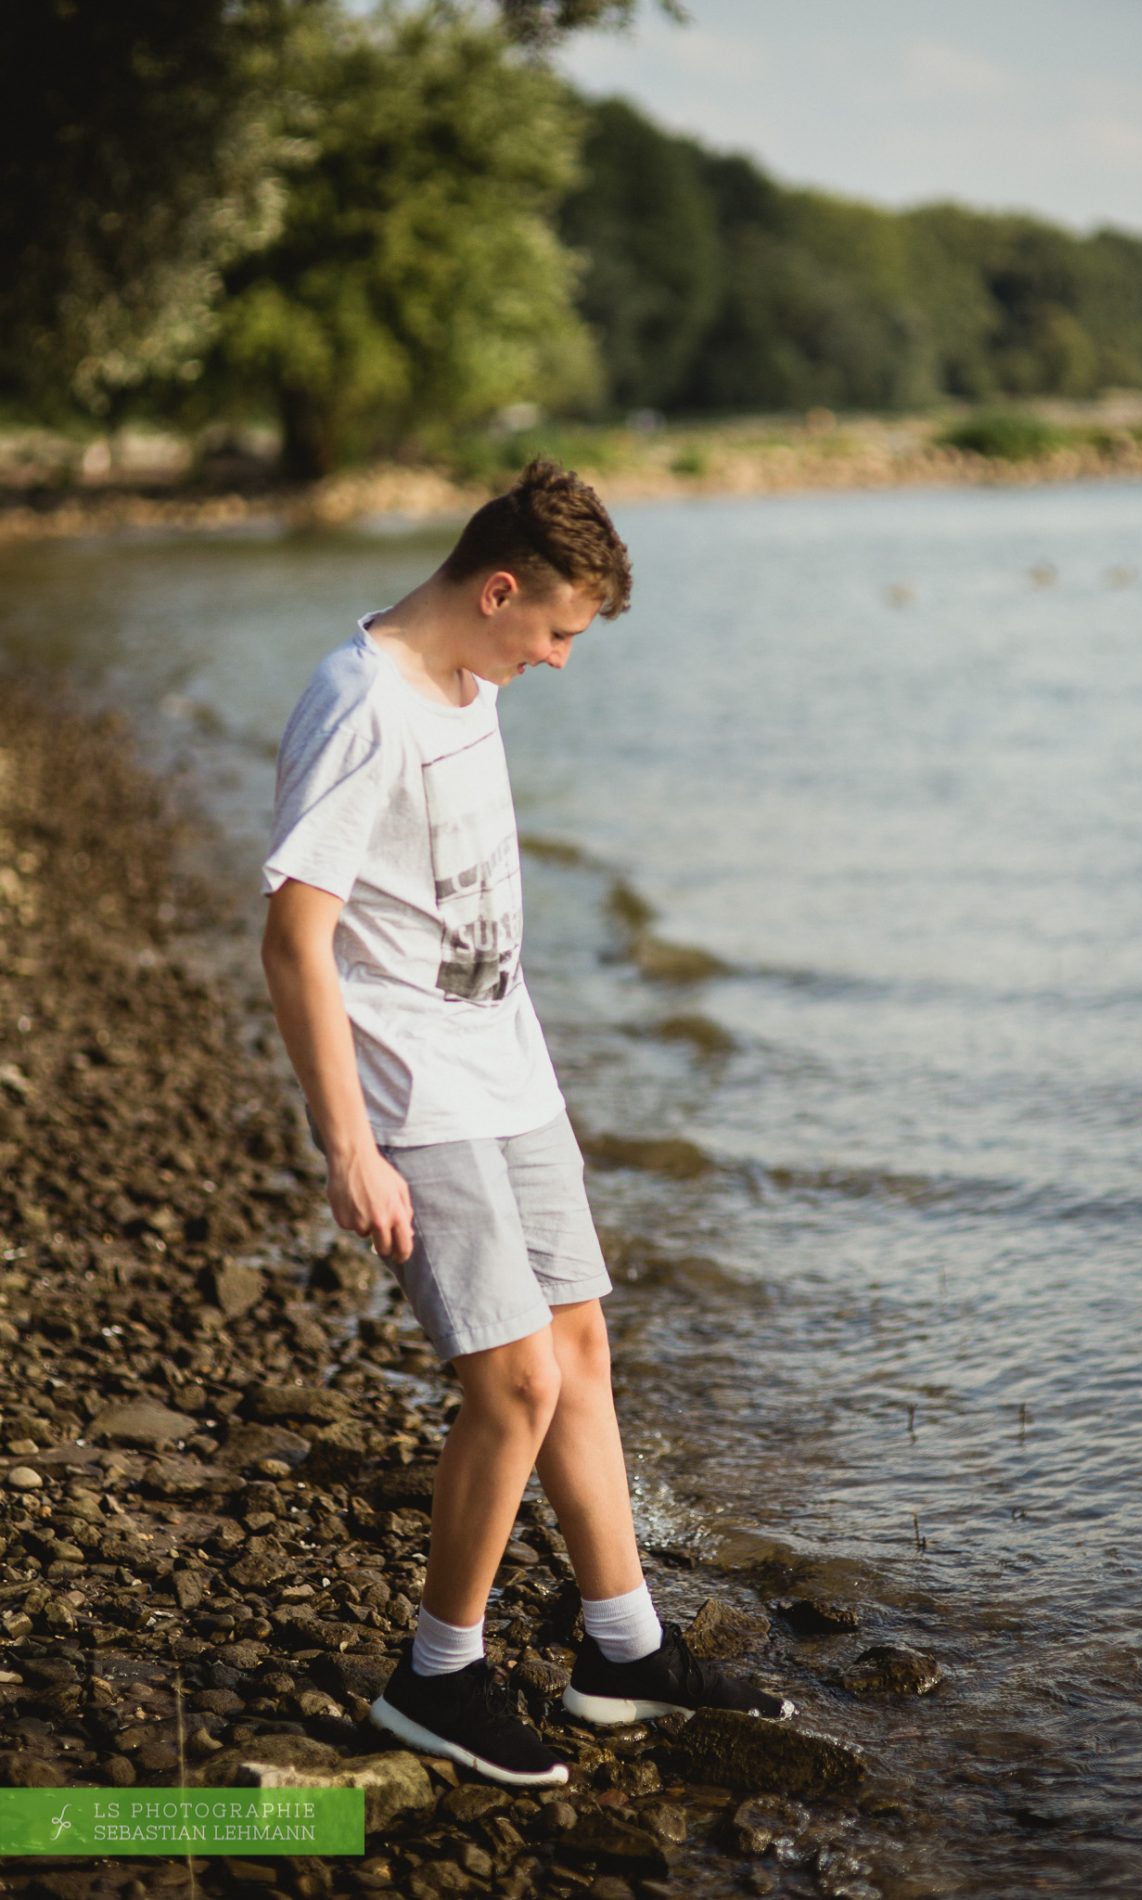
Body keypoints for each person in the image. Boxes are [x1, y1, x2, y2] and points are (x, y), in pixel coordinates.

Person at [259, 458, 793, 1788]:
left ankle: (622, 1650)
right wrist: (349, 1146)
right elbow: (294, 943)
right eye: (555, 629)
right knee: (509, 1385)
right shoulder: (361, 702)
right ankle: (437, 1675)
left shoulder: (468, 680)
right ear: (498, 589)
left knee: (577, 1348)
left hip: (509, 1071)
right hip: (414, 1098)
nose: (560, 660)